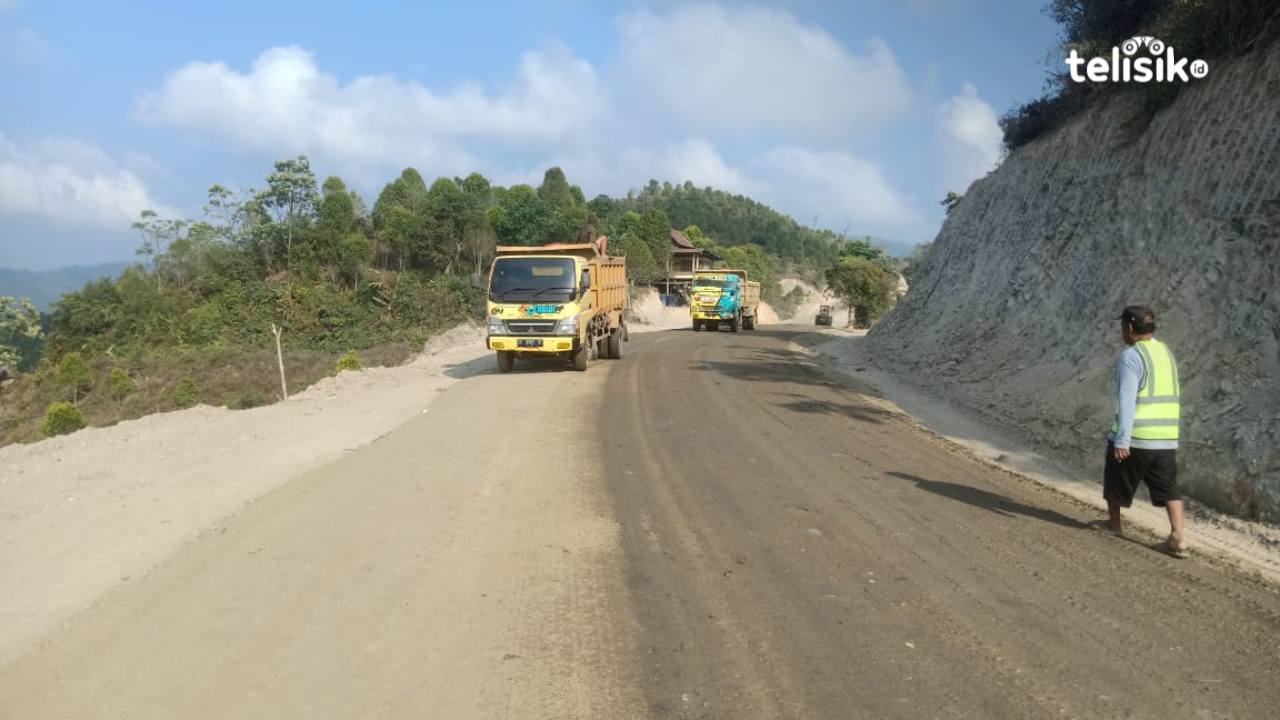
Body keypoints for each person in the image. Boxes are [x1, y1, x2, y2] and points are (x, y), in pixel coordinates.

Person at [1095, 305, 1187, 557]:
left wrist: (1122, 440)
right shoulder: (1165, 352)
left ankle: (1114, 525)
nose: (1122, 331)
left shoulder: (1131, 356)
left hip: (1137, 437)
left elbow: (1127, 400)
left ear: (1130, 328)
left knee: (1115, 479)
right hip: (1166, 438)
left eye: (1123, 326)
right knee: (1169, 488)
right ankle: (1178, 536)